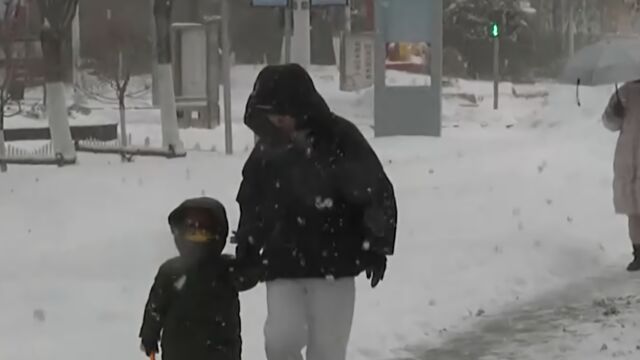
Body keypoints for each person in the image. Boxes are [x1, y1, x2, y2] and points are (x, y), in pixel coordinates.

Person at [234, 64, 398, 360]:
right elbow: (252, 199)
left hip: (335, 264)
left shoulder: (341, 139)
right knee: (280, 342)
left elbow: (374, 190)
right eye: (272, 116)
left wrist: (377, 243)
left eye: (282, 114)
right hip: (282, 262)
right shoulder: (267, 151)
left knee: (328, 350)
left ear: (301, 107)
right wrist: (248, 244)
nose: (278, 122)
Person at [139, 197, 260, 360]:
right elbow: (155, 307)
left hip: (220, 352)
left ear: (217, 234)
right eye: (192, 230)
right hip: (178, 353)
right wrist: (149, 336)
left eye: (205, 231)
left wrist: (249, 248)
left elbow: (249, 276)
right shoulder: (170, 272)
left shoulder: (227, 269)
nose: (198, 234)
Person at [603, 81, 640, 271]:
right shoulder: (625, 92)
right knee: (634, 210)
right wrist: (615, 111)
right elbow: (610, 123)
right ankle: (638, 253)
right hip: (629, 156)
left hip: (630, 153)